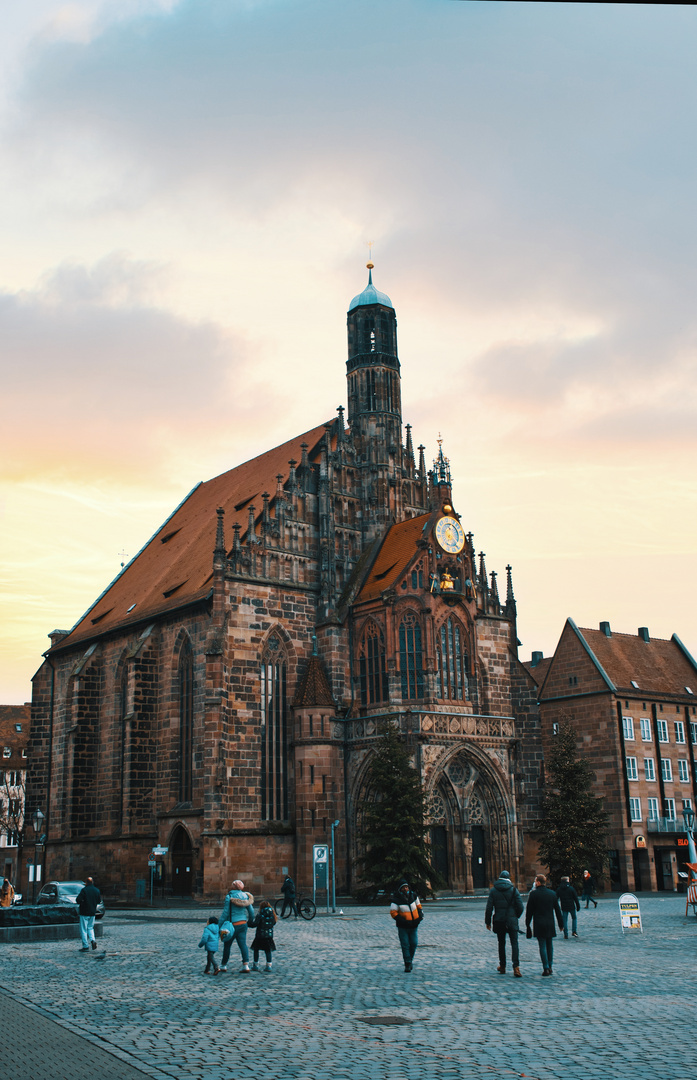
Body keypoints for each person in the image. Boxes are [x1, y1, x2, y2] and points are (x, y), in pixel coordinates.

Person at [485, 870, 524, 977]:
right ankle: (516, 967)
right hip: (511, 920)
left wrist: (487, 922)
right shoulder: (514, 890)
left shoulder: (494, 891)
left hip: (499, 920)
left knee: (501, 944)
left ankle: (502, 966)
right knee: (514, 943)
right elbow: (520, 906)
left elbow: (489, 908)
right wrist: (515, 916)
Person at [525, 873, 563, 976]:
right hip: (550, 922)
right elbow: (558, 910)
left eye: (535, 881)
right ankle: (550, 966)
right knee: (549, 945)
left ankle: (545, 967)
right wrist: (561, 924)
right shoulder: (552, 894)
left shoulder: (533, 894)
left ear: (538, 882)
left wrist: (527, 923)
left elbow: (529, 911)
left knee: (542, 945)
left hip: (539, 923)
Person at [219, 879, 255, 973]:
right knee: (243, 944)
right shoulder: (245, 896)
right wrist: (250, 921)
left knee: (227, 945)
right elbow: (251, 911)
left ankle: (223, 965)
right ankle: (246, 965)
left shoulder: (229, 896)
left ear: (234, 886)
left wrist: (219, 925)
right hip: (243, 924)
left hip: (232, 925)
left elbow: (225, 913)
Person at [390, 879, 423, 973]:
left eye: (407, 887)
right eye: (404, 887)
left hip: (414, 925)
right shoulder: (396, 900)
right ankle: (407, 963)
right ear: (400, 889)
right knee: (405, 945)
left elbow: (419, 907)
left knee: (414, 943)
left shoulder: (414, 896)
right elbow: (393, 912)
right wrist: (402, 921)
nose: (406, 889)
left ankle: (409, 960)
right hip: (403, 926)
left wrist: (419, 918)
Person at [76, 877, 102, 952]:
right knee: (90, 928)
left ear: (86, 882)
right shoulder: (96, 890)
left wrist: (83, 902)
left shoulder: (84, 890)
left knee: (83, 929)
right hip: (92, 912)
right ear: (92, 882)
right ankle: (93, 940)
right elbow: (99, 901)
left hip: (84, 912)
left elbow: (78, 900)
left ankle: (85, 946)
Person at [249, 899, 277, 971]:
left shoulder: (260, 915)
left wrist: (248, 923)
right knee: (268, 951)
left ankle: (255, 965)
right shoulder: (272, 915)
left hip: (260, 935)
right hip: (269, 936)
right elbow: (274, 923)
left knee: (256, 949)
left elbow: (255, 924)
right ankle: (269, 965)